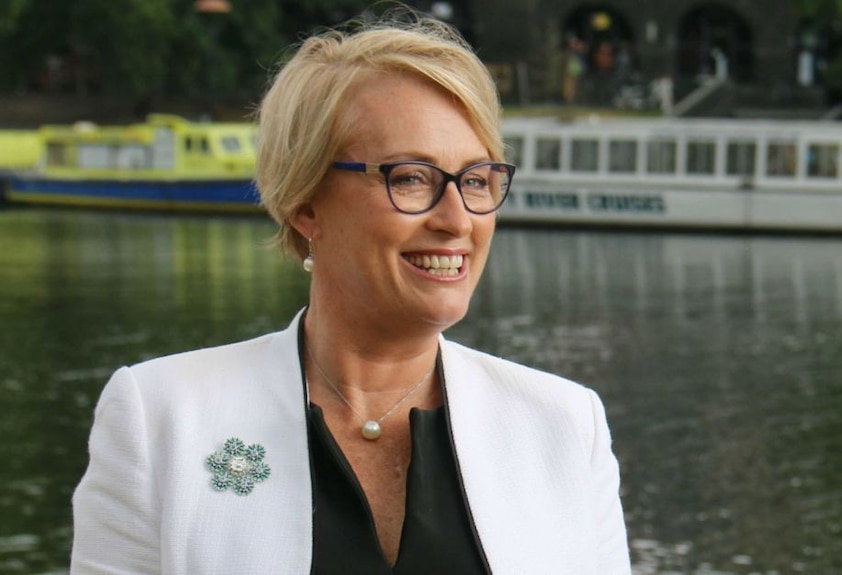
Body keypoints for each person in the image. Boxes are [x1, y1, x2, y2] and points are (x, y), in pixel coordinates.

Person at [71, 12, 630, 575]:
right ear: (306, 203)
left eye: (477, 180)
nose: (458, 218)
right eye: (412, 177)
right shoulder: (159, 417)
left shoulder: (564, 424)